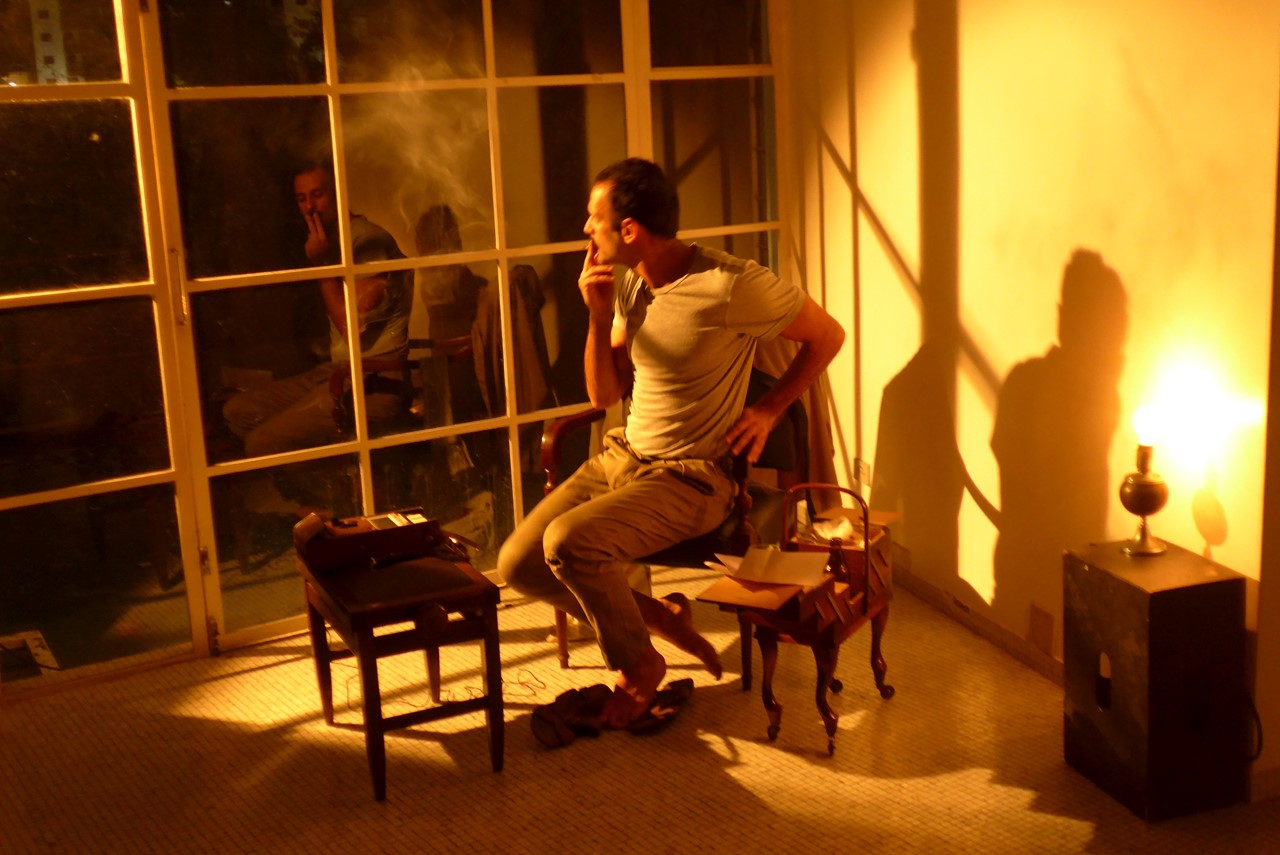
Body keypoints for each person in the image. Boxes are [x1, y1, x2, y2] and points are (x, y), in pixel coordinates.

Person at [498, 158, 845, 729]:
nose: (586, 229)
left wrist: (769, 409)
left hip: (692, 477)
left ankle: (639, 664)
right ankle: (658, 617)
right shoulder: (633, 283)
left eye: (593, 218)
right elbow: (604, 392)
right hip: (625, 455)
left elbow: (828, 335)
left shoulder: (730, 284)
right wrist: (597, 316)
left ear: (629, 228)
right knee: (519, 563)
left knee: (568, 542)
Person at [222, 162, 413, 459]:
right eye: (302, 199)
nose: (310, 207)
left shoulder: (366, 239)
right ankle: (323, 476)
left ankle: (327, 486)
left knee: (263, 443)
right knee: (238, 411)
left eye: (317, 195)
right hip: (337, 371)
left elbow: (352, 326)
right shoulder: (330, 241)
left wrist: (322, 267)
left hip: (375, 380)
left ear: (337, 194)